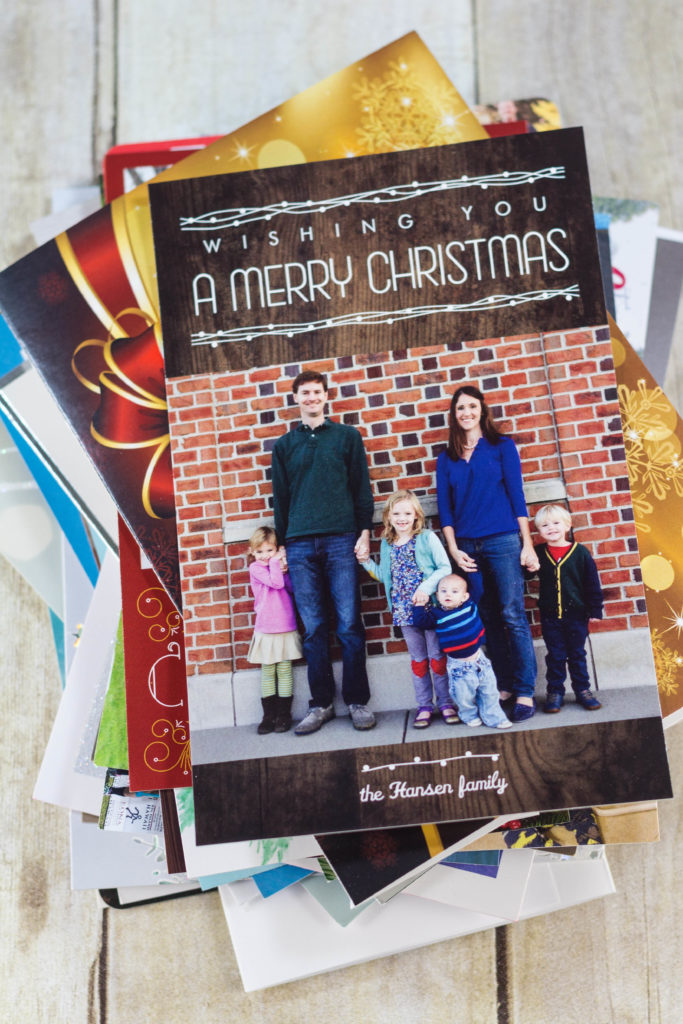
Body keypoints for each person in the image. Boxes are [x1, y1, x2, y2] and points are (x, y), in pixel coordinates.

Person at [271, 369, 376, 735]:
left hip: (341, 540)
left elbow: (362, 488)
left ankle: (358, 701)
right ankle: (320, 705)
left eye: (317, 392)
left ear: (326, 397)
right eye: (305, 393)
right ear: (296, 398)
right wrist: (284, 545)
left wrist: (364, 533)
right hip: (300, 544)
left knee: (348, 624)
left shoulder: (347, 437)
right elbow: (280, 500)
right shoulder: (284, 446)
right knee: (314, 629)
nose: (312, 398)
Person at [436, 384, 539, 722]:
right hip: (466, 546)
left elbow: (517, 496)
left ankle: (524, 691)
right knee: (486, 616)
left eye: (472, 406)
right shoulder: (446, 457)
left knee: (512, 614)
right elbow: (445, 510)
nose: (466, 413)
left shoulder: (501, 447)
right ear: (454, 415)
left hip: (503, 541)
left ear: (482, 410)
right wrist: (453, 548)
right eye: (460, 408)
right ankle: (504, 683)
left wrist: (526, 543)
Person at [358, 489, 459, 729]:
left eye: (407, 513)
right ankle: (424, 705)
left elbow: (444, 567)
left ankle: (445, 703)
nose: (402, 518)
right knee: (418, 660)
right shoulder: (387, 543)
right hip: (404, 611)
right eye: (396, 513)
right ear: (388, 517)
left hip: (429, 608)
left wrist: (426, 588)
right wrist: (364, 562)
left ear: (416, 515)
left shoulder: (426, 538)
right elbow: (385, 575)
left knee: (437, 658)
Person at [412, 573, 512, 729]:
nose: (448, 595)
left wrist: (473, 572)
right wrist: (418, 606)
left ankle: (494, 717)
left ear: (465, 596)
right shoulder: (437, 614)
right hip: (458, 666)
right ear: (437, 595)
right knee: (463, 696)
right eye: (443, 591)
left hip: (480, 660)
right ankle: (468, 715)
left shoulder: (470, 605)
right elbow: (420, 622)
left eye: (454, 591)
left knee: (489, 692)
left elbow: (478, 587)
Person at [531, 504, 604, 713]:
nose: (551, 528)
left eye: (556, 523)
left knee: (577, 654)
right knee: (555, 655)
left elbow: (592, 582)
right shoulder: (539, 553)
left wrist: (595, 608)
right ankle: (555, 692)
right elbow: (526, 575)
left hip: (576, 615)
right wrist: (528, 566)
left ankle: (583, 690)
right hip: (550, 616)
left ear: (567, 526)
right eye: (545, 525)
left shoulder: (580, 552)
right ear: (539, 531)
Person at [247, 526, 302, 734]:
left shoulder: (278, 567)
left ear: (277, 549)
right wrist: (276, 561)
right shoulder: (256, 568)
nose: (264, 556)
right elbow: (276, 583)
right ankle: (268, 716)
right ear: (252, 552)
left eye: (269, 551)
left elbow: (289, 587)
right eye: (259, 551)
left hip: (285, 625)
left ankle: (283, 715)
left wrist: (284, 566)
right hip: (266, 628)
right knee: (268, 671)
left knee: (285, 670)